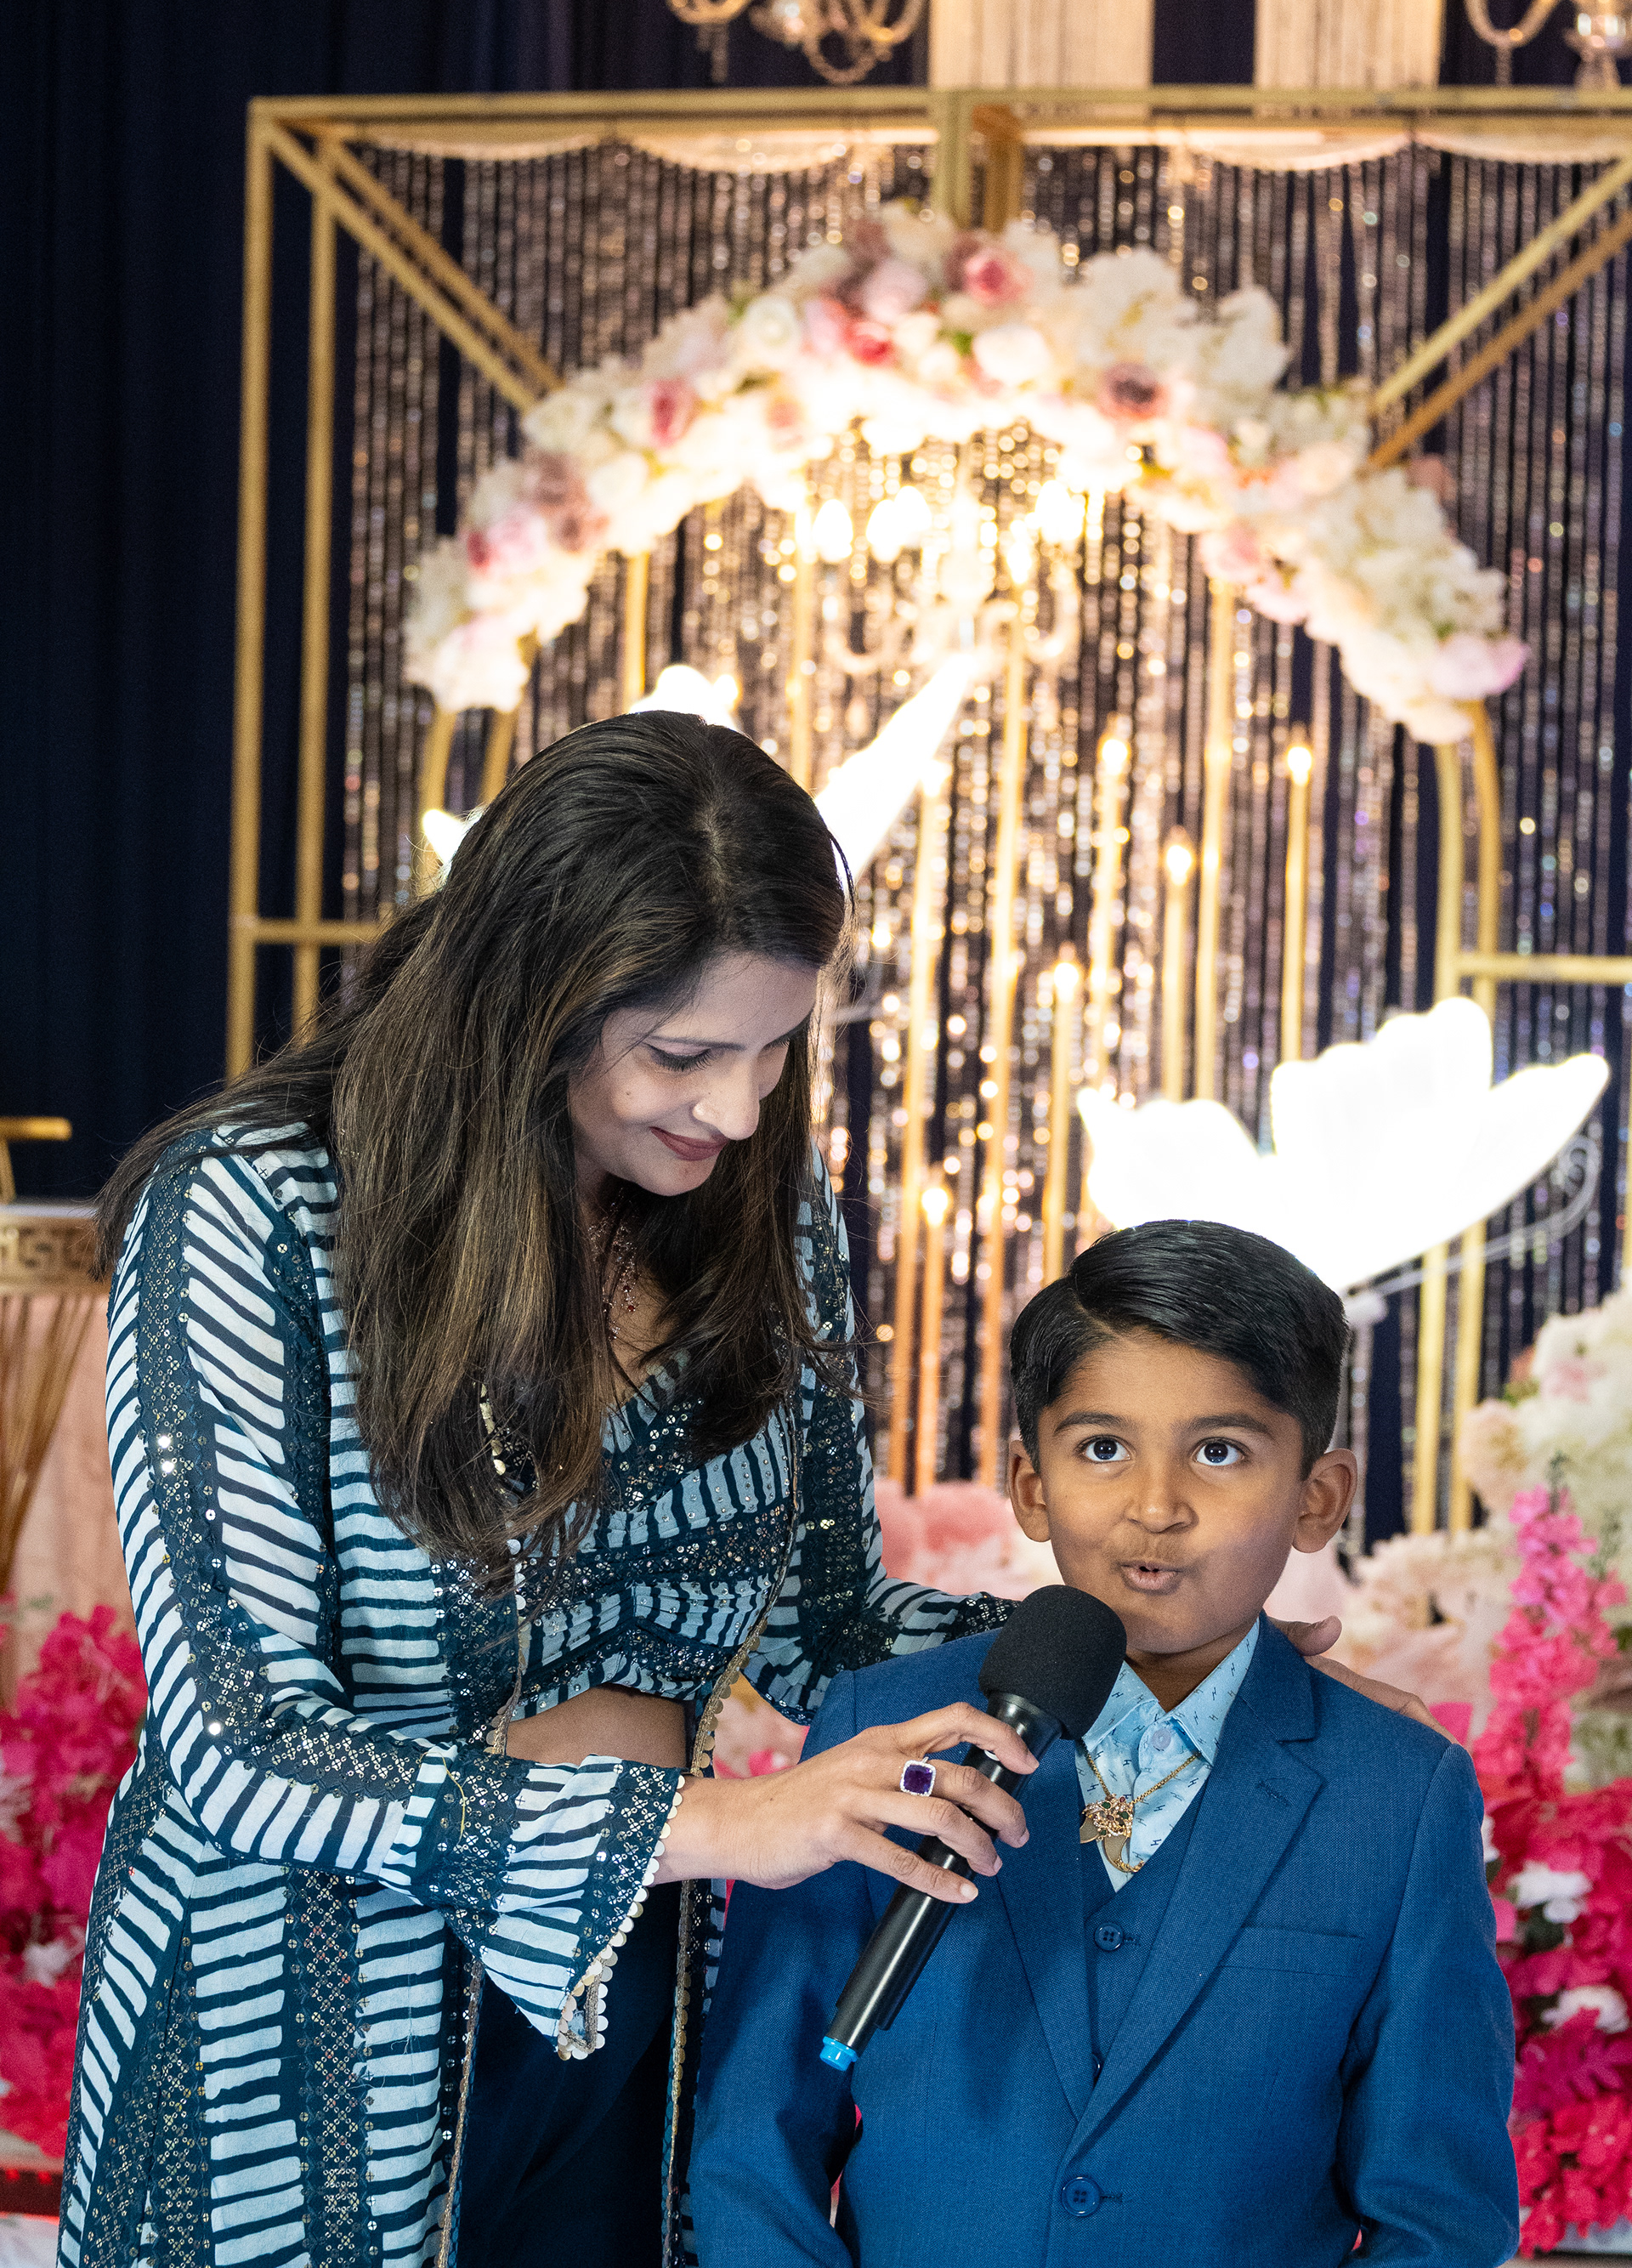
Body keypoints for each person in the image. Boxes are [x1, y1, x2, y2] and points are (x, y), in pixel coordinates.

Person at [69, 715, 1431, 2268]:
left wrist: (1160, 1653)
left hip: (633, 2006)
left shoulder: (761, 1219)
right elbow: (241, 1746)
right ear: (524, 998)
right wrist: (727, 1819)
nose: (732, 1108)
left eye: (775, 1048)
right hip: (297, 2030)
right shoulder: (253, 1208)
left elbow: (828, 1625)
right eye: (682, 1055)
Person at [689, 1220, 1521, 2268]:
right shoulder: (878, 1727)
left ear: (1318, 1500)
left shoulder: (1398, 1792)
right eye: (1102, 1449)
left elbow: (1441, 2222)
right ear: (1031, 1486)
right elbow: (753, 2141)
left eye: (1219, 1452)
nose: (1156, 1508)